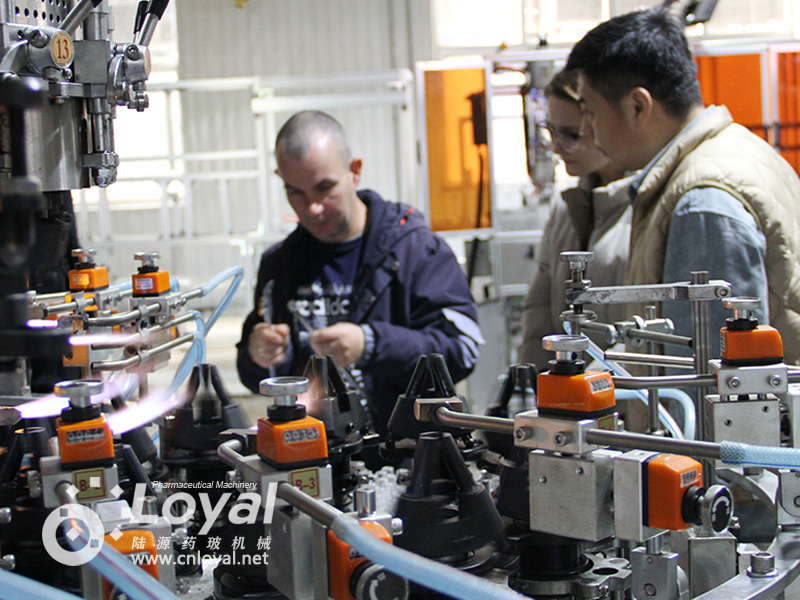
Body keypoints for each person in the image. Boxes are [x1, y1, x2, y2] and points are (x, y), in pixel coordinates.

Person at [566, 7, 800, 364]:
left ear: (637, 106)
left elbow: (711, 377)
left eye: (590, 111)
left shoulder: (702, 201)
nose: (586, 128)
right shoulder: (743, 151)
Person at [236, 110, 483, 436]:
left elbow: (463, 350)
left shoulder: (417, 251)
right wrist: (259, 356)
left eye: (324, 188)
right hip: (311, 450)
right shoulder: (280, 264)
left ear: (354, 171)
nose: (313, 208)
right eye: (295, 192)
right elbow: (256, 374)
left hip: (404, 453)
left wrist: (372, 343)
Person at [518, 69, 635, 369]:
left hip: (628, 390)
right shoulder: (566, 208)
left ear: (603, 122)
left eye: (572, 134)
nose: (557, 148)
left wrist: (590, 383)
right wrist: (533, 378)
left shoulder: (645, 208)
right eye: (551, 132)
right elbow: (541, 307)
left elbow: (649, 330)